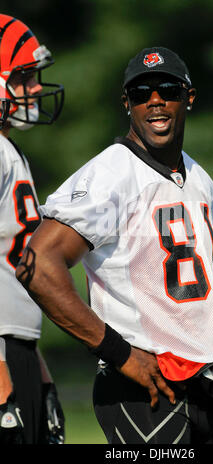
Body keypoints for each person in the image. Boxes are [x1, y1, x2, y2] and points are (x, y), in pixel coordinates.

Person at [16, 47, 213, 444]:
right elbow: (38, 265)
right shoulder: (112, 175)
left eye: (167, 89)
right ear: (127, 103)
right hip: (144, 386)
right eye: (141, 93)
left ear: (188, 96)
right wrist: (119, 353)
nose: (155, 101)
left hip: (199, 380)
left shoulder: (201, 179)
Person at [0, 14, 65, 444]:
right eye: (22, 77)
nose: (36, 88)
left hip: (16, 344)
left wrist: (35, 365)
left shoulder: (8, 149)